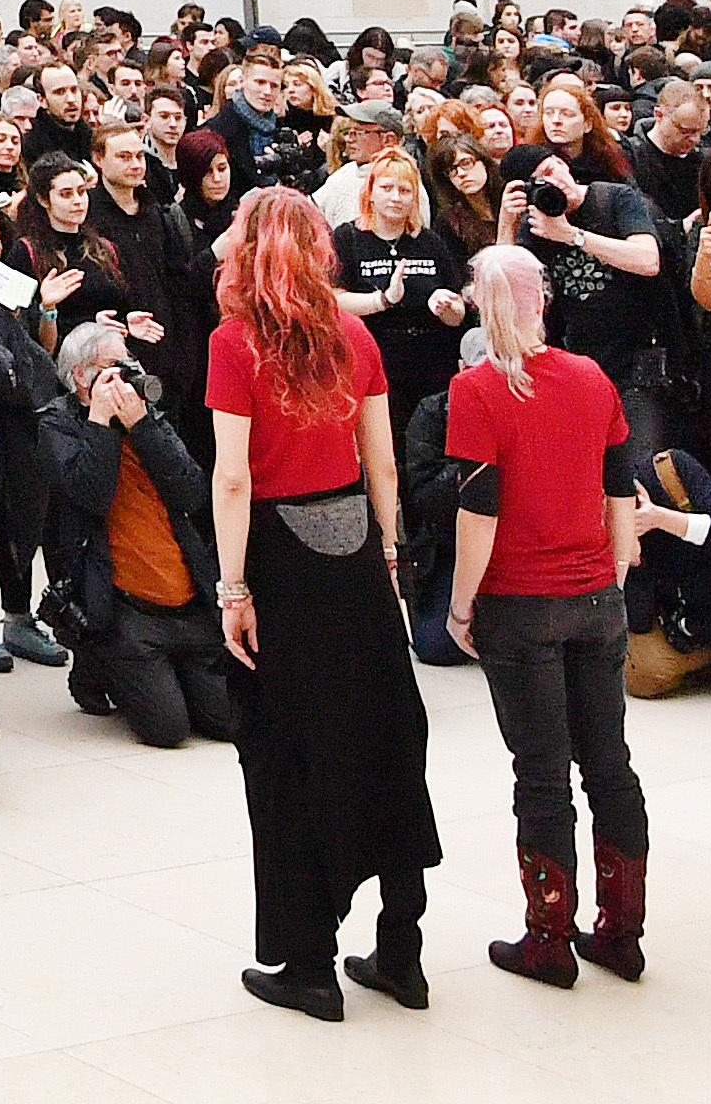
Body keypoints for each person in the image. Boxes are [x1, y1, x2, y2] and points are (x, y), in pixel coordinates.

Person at [206, 182, 434, 1020]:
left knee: (288, 754)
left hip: (277, 557)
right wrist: (385, 550)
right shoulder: (354, 332)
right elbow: (383, 462)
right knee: (386, 736)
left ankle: (310, 964)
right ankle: (402, 953)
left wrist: (233, 587)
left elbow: (233, 477)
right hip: (354, 553)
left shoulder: (234, 343)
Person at [438, 243, 650, 987]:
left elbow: (480, 505)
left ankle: (548, 939)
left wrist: (462, 603)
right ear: (544, 299)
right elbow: (621, 479)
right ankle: (622, 933)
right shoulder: (591, 378)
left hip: (521, 603)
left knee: (541, 773)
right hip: (595, 595)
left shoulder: (477, 389)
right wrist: (617, 565)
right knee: (610, 765)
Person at [45, 318, 236, 746]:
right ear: (82, 375)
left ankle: (165, 674)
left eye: (130, 362)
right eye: (115, 365)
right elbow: (90, 495)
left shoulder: (145, 414)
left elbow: (192, 493)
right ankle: (95, 664)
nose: (128, 373)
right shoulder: (56, 424)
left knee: (226, 721)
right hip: (121, 605)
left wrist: (142, 425)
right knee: (168, 731)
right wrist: (100, 421)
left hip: (184, 599)